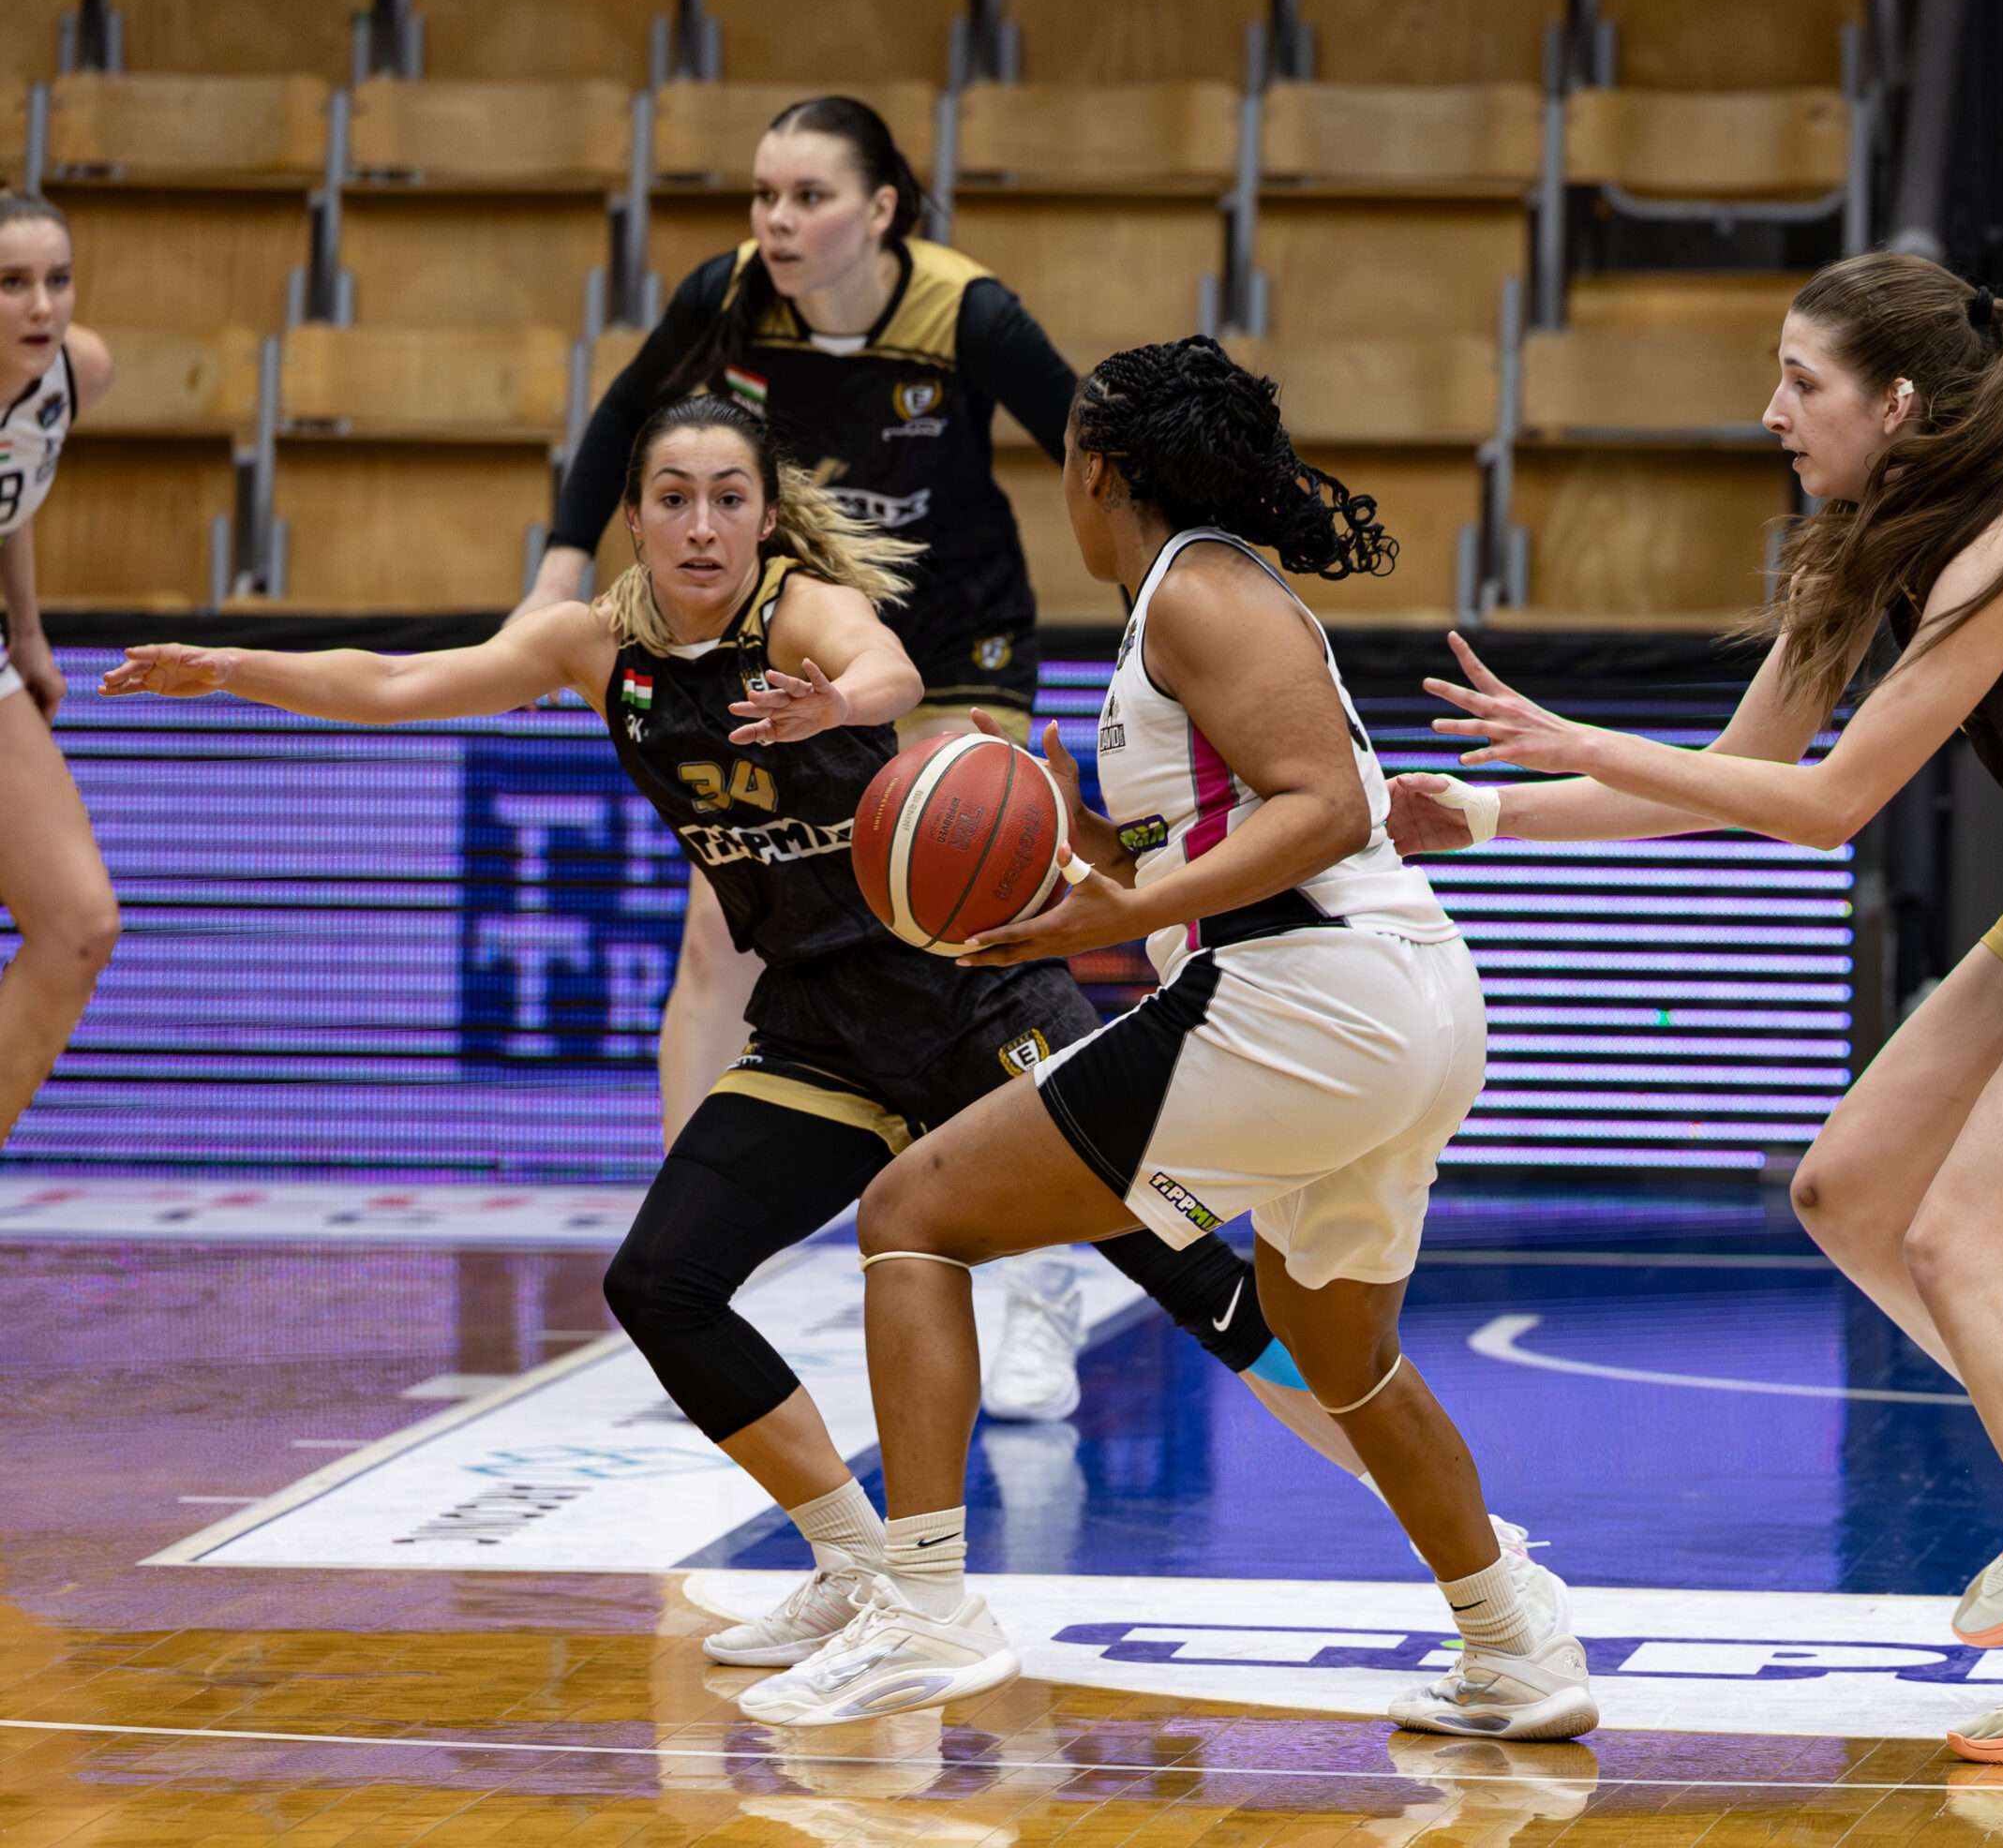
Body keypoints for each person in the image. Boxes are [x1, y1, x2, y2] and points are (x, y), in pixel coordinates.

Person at [102, 396, 1381, 1671]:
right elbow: (398, 681)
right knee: (659, 1282)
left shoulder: (802, 614)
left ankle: (1437, 1520)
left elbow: (887, 667)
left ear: (767, 517)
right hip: (824, 1022)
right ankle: (856, 1563)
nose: (702, 525)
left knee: (1193, 1281)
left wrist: (840, 705)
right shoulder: (591, 645)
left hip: (973, 993)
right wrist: (231, 670)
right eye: (674, 499)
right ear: (636, 518)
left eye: (728, 499)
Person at [1397, 252, 2003, 1765]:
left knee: (1967, 1238)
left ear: (1897, 404)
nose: (1773, 411)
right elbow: (1741, 774)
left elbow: (1832, 806)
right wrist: (1483, 815)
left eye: (1801, 381)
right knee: (1850, 1190)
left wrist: (1579, 740)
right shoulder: (1858, 541)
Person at [734, 338, 1597, 1743]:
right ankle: (1514, 1641)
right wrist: (1084, 838)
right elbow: (1226, 832)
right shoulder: (1192, 600)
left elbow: (1324, 806)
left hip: (1310, 991)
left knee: (911, 1213)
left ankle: (924, 1603)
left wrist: (1129, 906)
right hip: (1397, 1002)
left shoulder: (1198, 590)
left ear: (1097, 469)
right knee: (1338, 1346)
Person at [515, 95, 1094, 1419]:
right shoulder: (727, 295)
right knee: (714, 943)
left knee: (967, 934)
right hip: (786, 644)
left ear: (880, 210)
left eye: (809, 197)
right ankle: (694, 1267)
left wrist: (1161, 613)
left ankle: (1043, 1278)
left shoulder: (966, 315)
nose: (776, 221)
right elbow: (623, 416)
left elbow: (1089, 448)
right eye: (764, 195)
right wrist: (554, 575)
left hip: (946, 646)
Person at [0, 193, 119, 1152]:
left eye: (58, 279)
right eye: (11, 284)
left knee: (80, 924)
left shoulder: (77, 371)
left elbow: (16, 488)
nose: (42, 305)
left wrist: (30, 631)